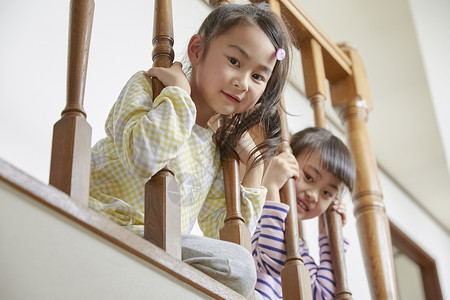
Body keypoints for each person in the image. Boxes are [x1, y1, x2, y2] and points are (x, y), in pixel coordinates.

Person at [88, 2, 293, 297]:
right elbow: (144, 159)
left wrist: (255, 165)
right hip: (108, 217)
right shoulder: (151, 88)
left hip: (161, 245)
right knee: (241, 269)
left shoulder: (212, 147)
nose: (242, 82)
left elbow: (219, 227)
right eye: (235, 61)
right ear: (196, 51)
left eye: (258, 76)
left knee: (241, 269)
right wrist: (178, 96)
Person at [252, 127, 356, 300]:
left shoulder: (299, 246)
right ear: (287, 164)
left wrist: (327, 236)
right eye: (309, 177)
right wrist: (271, 187)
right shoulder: (257, 218)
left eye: (327, 193)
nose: (313, 195)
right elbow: (273, 261)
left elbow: (322, 295)